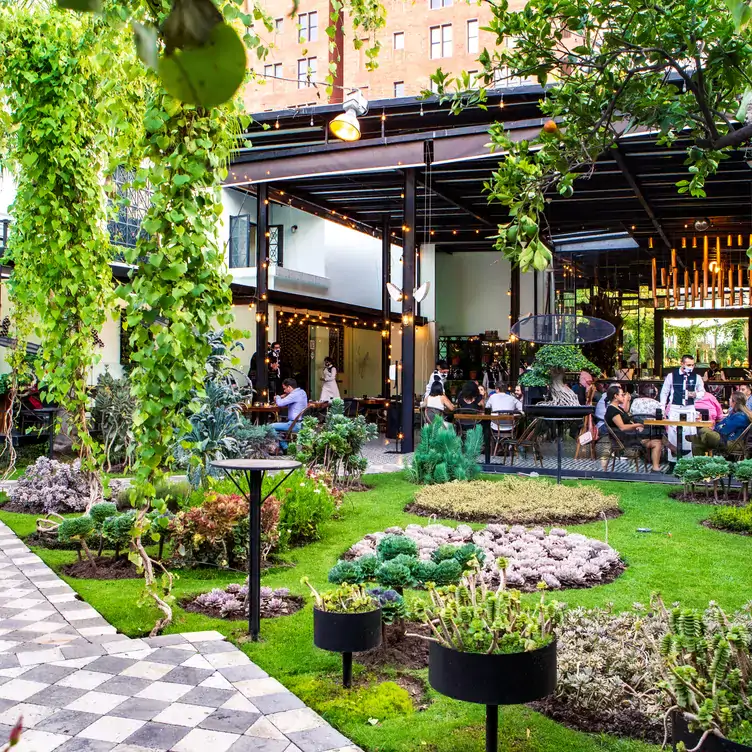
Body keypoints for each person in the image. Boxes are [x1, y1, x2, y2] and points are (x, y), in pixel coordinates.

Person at [605, 384, 663, 472]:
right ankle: (656, 468)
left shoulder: (617, 409)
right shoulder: (612, 410)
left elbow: (627, 417)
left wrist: (627, 400)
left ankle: (672, 453)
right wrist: (637, 425)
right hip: (626, 439)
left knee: (659, 438)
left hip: (630, 436)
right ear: (615, 396)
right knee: (657, 442)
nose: (624, 397)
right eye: (622, 395)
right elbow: (623, 427)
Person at [660, 354, 705, 463]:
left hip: (689, 408)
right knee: (672, 435)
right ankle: (672, 463)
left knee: (689, 435)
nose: (691, 367)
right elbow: (664, 392)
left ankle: (687, 463)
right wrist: (662, 408)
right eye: (688, 364)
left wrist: (695, 395)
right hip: (675, 408)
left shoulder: (696, 377)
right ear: (682, 364)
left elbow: (702, 392)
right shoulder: (672, 376)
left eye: (693, 365)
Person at [271, 378, 308, 449]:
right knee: (278, 428)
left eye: (285, 389)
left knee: (270, 427)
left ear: (290, 387)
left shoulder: (294, 395)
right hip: (302, 423)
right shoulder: (302, 392)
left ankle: (285, 448)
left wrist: (278, 397)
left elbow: (280, 403)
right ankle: (284, 446)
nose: (284, 391)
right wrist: (286, 396)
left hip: (294, 425)